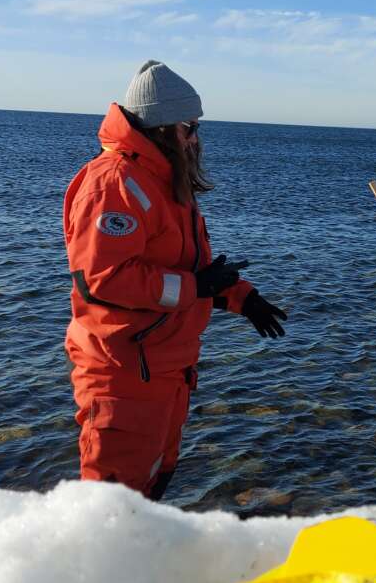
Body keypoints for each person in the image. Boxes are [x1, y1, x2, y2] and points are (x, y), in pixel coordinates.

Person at [63, 60, 287, 500]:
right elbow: (104, 280)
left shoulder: (163, 183)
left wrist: (243, 299)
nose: (196, 139)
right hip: (123, 375)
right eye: (190, 127)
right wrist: (196, 288)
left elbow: (189, 268)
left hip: (166, 372)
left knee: (151, 490)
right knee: (110, 509)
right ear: (164, 127)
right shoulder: (115, 184)